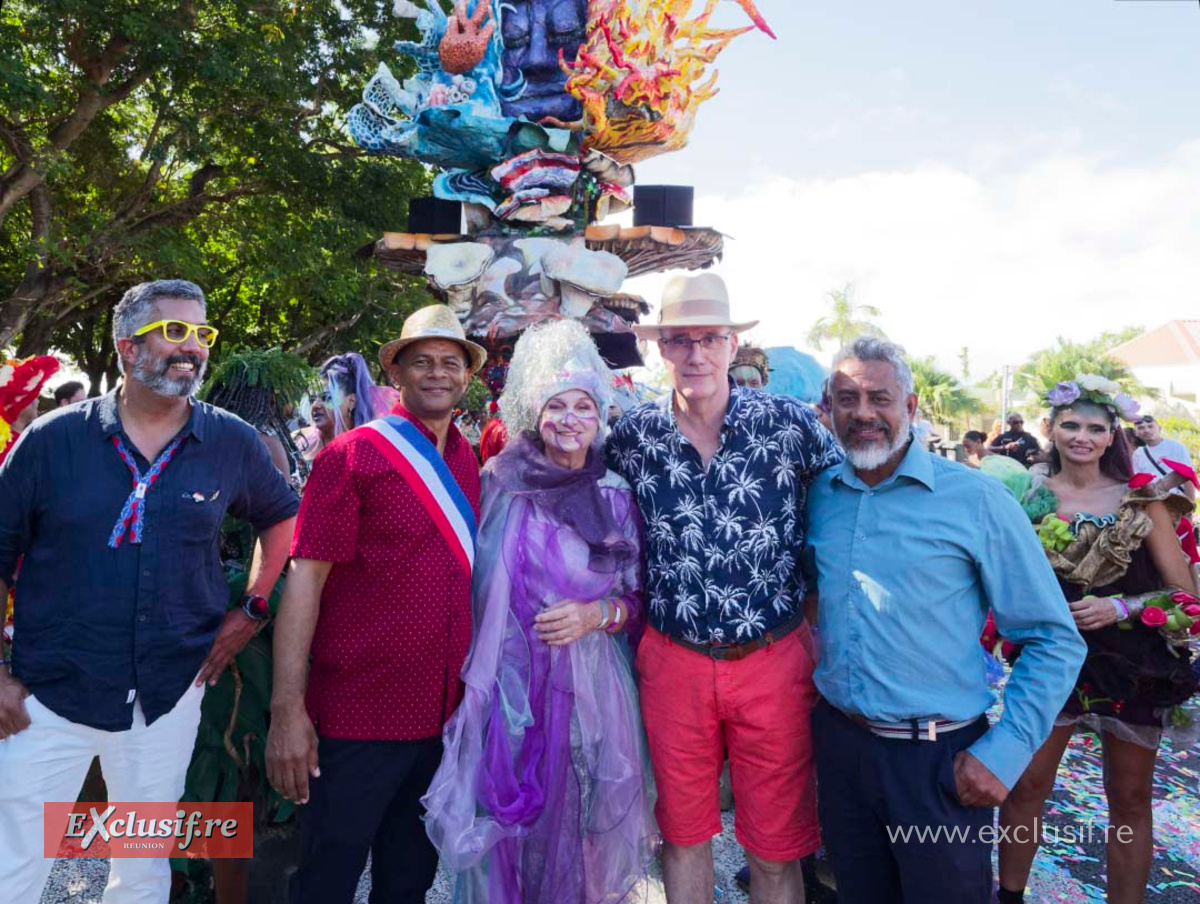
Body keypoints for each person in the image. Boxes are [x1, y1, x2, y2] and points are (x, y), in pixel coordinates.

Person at [0, 279, 299, 903]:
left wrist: (251, 607)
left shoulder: (230, 442)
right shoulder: (51, 442)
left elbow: (282, 518)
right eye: (174, 331)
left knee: (140, 869)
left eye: (202, 333)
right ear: (126, 349)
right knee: (13, 865)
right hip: (47, 695)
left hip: (166, 697)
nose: (191, 347)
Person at [805, 337, 1086, 904]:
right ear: (828, 410)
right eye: (847, 399)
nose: (863, 413)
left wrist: (1005, 751)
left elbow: (1054, 639)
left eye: (879, 398)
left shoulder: (977, 501)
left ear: (909, 408)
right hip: (841, 751)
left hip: (938, 763)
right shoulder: (818, 495)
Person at [608, 272, 843, 904]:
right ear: (663, 349)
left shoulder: (789, 426)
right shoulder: (633, 437)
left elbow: (849, 515)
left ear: (732, 346)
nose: (696, 354)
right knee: (683, 838)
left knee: (775, 846)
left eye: (709, 338)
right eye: (681, 340)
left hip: (774, 658)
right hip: (673, 661)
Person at [423, 319, 655, 904]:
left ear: (601, 415)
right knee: (508, 824)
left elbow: (635, 598)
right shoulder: (498, 484)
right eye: (557, 406)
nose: (570, 419)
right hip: (508, 690)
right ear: (534, 411)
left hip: (589, 691)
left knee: (576, 824)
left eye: (584, 406)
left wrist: (593, 614)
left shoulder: (615, 496)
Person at [266, 304, 485, 904]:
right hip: (358, 713)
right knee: (326, 879)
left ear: (467, 376)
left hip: (442, 719)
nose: (437, 374)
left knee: (408, 881)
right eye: (422, 362)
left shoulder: (469, 462)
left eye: (450, 363)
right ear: (398, 372)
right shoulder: (352, 456)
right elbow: (304, 580)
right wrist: (288, 708)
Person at [997, 380, 1199, 904]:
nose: (1081, 437)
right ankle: (1009, 896)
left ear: (1113, 436)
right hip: (1050, 661)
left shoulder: (1142, 498)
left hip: (1131, 662)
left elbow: (1185, 594)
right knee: (1023, 786)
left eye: (1095, 428)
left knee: (1129, 799)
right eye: (1071, 425)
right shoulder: (1028, 498)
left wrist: (1120, 606)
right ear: (1052, 429)